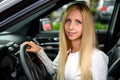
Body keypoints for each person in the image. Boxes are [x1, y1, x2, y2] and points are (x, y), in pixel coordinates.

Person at [22, 2, 109, 80]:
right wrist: (39, 51)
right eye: (68, 21)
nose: (70, 27)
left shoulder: (97, 57)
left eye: (78, 22)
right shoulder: (66, 51)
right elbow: (53, 70)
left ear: (87, 26)